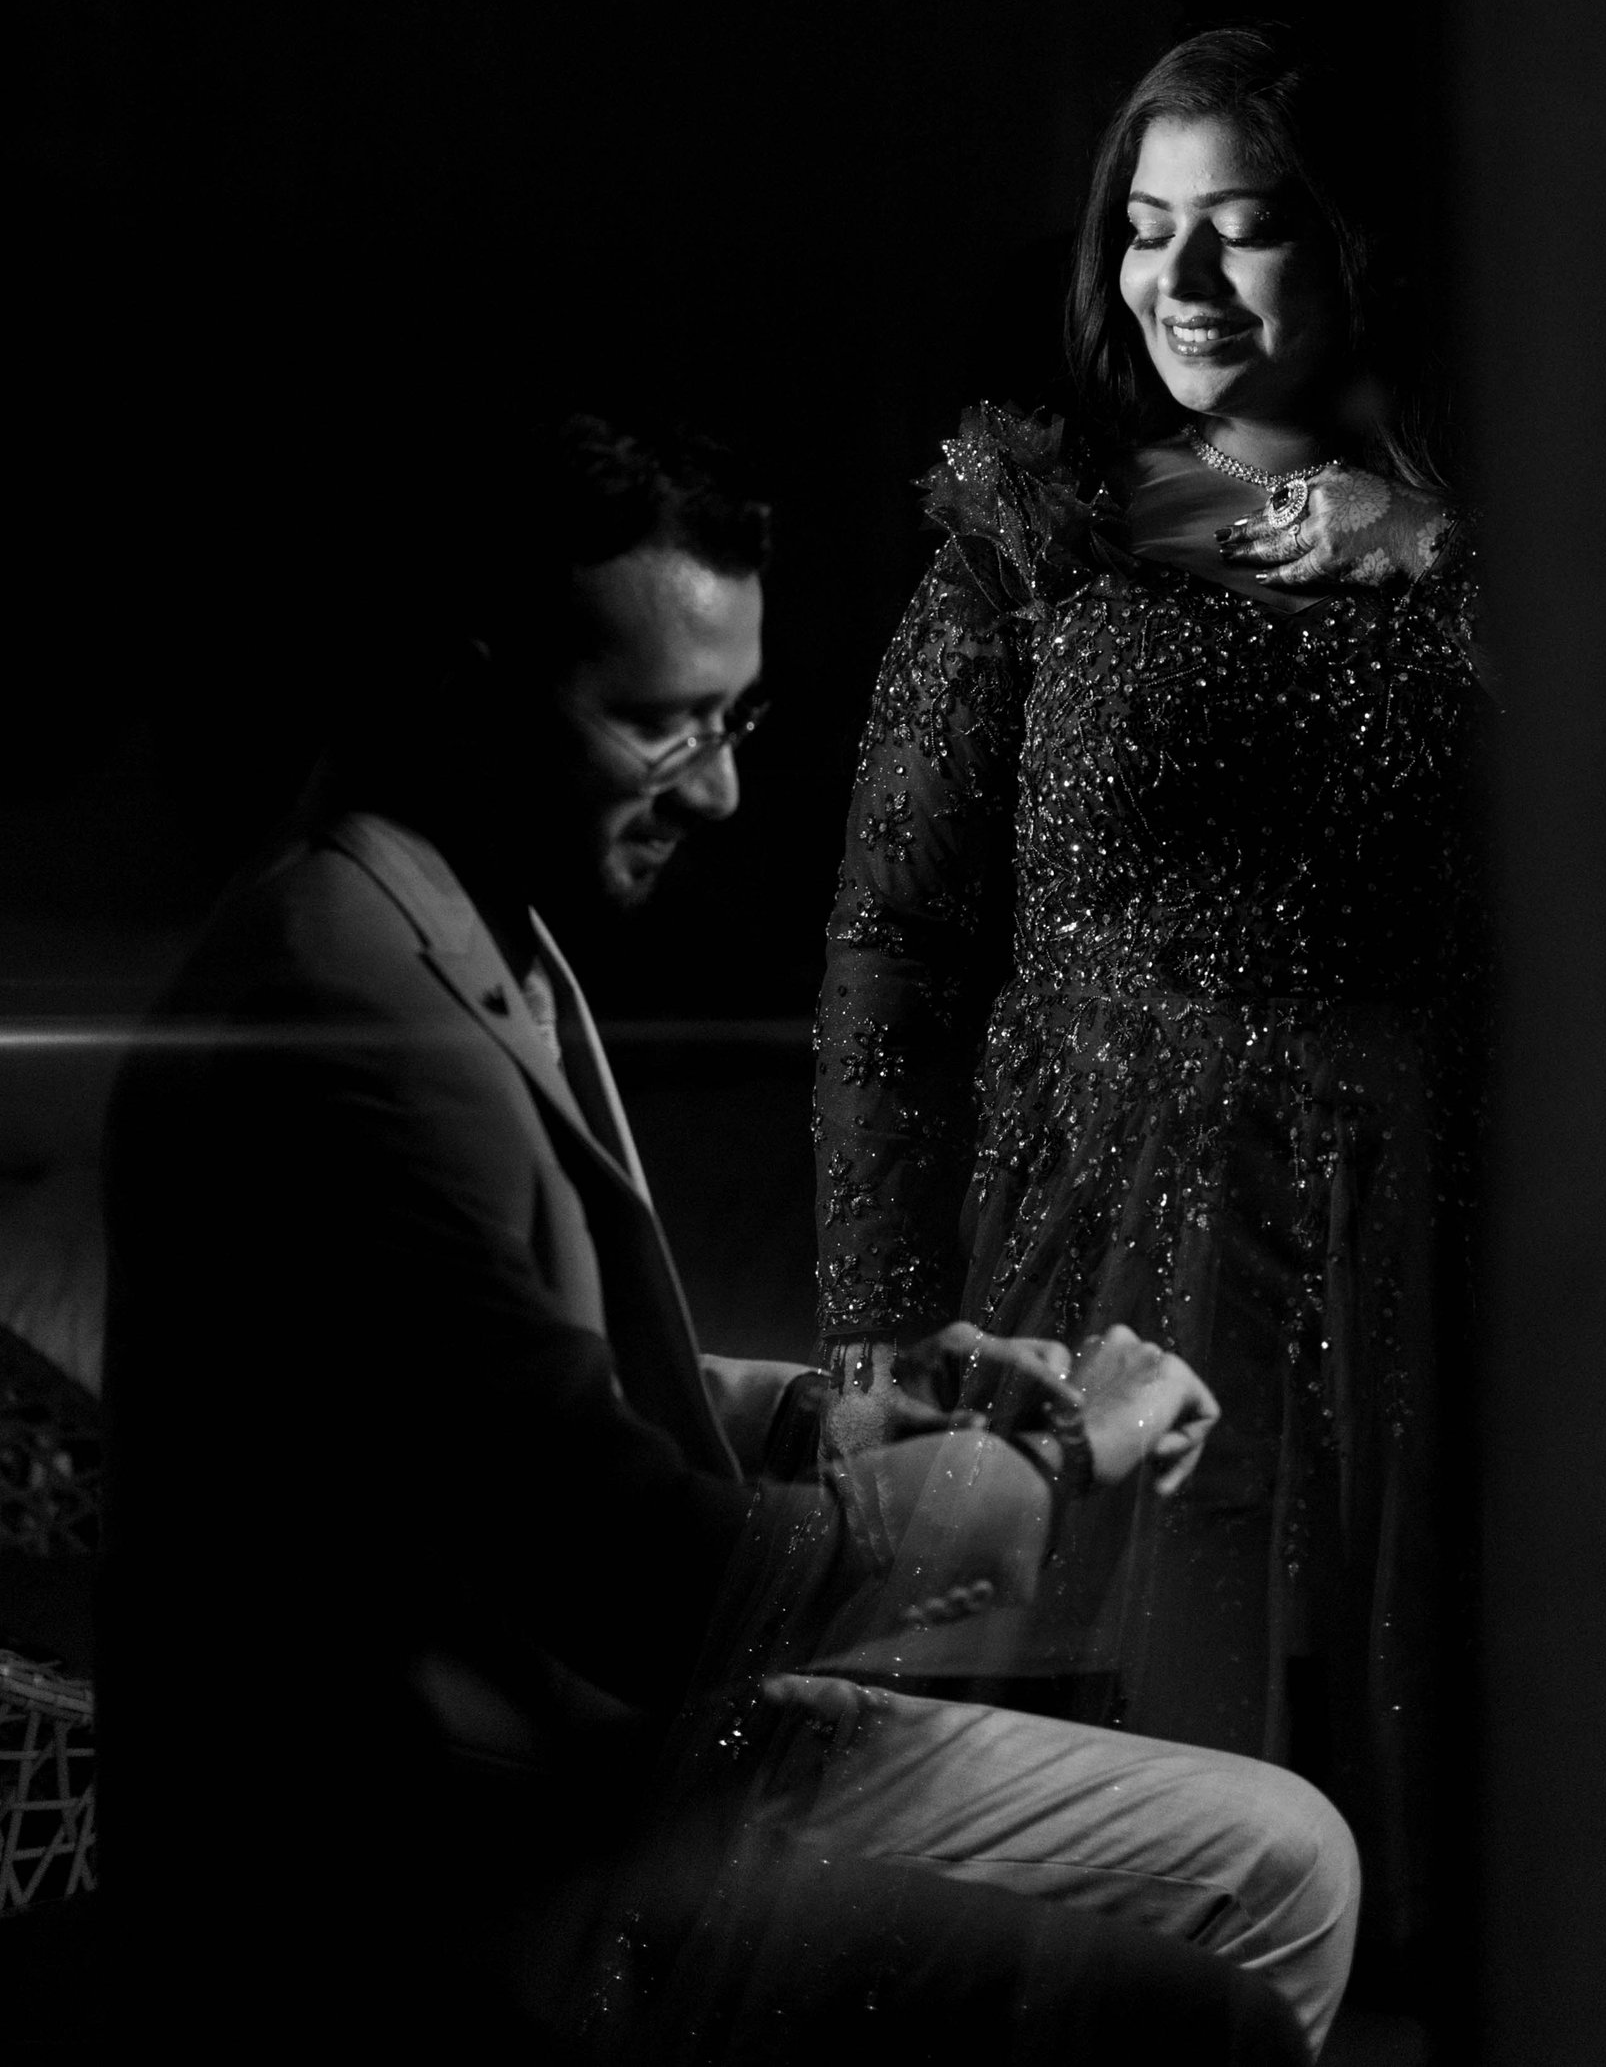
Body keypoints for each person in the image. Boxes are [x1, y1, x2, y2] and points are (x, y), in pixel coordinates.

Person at [101, 415, 1356, 2067]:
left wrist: (863, 1408)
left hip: (585, 1756)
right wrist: (1061, 1447)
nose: (720, 787)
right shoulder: (345, 1014)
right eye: (657, 723)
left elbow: (514, 1401)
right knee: (1208, 2012)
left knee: (1286, 1855)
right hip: (461, 1871)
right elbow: (648, 1581)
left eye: (734, 716)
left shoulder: (451, 906)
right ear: (466, 686)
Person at [815, 28, 1486, 1970]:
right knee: (1127, 1896)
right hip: (1110, 1256)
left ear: (1351, 249)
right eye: (1142, 226)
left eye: (1241, 228)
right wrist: (876, 1316)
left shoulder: (1492, 538)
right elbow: (891, 946)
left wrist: (1442, 549)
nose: (1176, 280)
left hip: (1424, 1280)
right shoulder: (1038, 544)